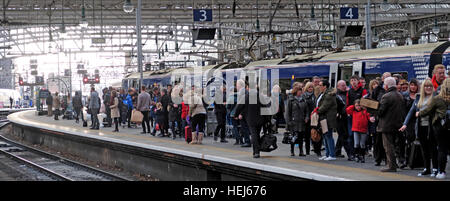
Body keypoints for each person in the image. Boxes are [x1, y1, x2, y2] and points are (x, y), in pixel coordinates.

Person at [400, 79, 438, 176]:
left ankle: (435, 168)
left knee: (433, 148)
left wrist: (420, 113)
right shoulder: (418, 97)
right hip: (421, 126)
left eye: (430, 86)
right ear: (423, 88)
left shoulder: (435, 98)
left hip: (432, 127)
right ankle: (427, 168)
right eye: (426, 86)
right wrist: (405, 124)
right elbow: (411, 111)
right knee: (424, 148)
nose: (428, 88)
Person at [417, 78, 450, 179]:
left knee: (442, 149)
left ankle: (441, 172)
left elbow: (427, 110)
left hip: (441, 126)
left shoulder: (438, 99)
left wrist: (419, 113)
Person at [376, 77, 405, 172]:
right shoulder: (399, 95)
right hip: (397, 124)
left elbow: (381, 111)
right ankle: (394, 164)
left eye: (384, 84)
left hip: (387, 125)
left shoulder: (386, 96)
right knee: (394, 145)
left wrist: (374, 109)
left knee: (388, 146)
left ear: (387, 86)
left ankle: (391, 165)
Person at [234, 80, 266, 158]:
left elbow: (239, 106)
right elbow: (266, 107)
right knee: (257, 134)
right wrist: (267, 119)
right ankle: (256, 150)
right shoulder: (261, 96)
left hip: (251, 119)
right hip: (260, 119)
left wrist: (236, 115)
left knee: (254, 134)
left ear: (248, 88)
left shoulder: (246, 96)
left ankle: (256, 152)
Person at [315, 80, 337, 161]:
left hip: (328, 119)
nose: (319, 87)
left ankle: (332, 154)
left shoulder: (329, 95)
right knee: (325, 136)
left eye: (320, 85)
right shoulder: (323, 94)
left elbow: (324, 106)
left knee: (328, 136)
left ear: (325, 86)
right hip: (323, 118)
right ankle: (328, 154)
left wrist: (316, 112)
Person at [285, 85, 309, 157]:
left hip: (301, 122)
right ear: (296, 91)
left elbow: (307, 110)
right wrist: (288, 122)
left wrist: (307, 117)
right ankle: (292, 151)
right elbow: (288, 112)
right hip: (293, 122)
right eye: (299, 91)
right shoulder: (291, 100)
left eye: (301, 91)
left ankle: (301, 151)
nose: (300, 92)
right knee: (293, 137)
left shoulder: (303, 99)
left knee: (301, 137)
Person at [335, 80, 351, 159]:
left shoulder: (348, 94)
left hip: (346, 117)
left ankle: (337, 151)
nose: (344, 87)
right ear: (338, 86)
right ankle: (349, 154)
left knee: (342, 135)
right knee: (343, 135)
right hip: (339, 117)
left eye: (345, 85)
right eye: (342, 85)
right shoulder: (336, 95)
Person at [302, 81, 316, 156]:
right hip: (307, 117)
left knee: (315, 134)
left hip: (314, 117)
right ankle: (307, 151)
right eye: (309, 87)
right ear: (307, 88)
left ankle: (316, 149)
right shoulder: (304, 96)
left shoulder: (315, 96)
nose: (311, 88)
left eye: (312, 87)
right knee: (307, 135)